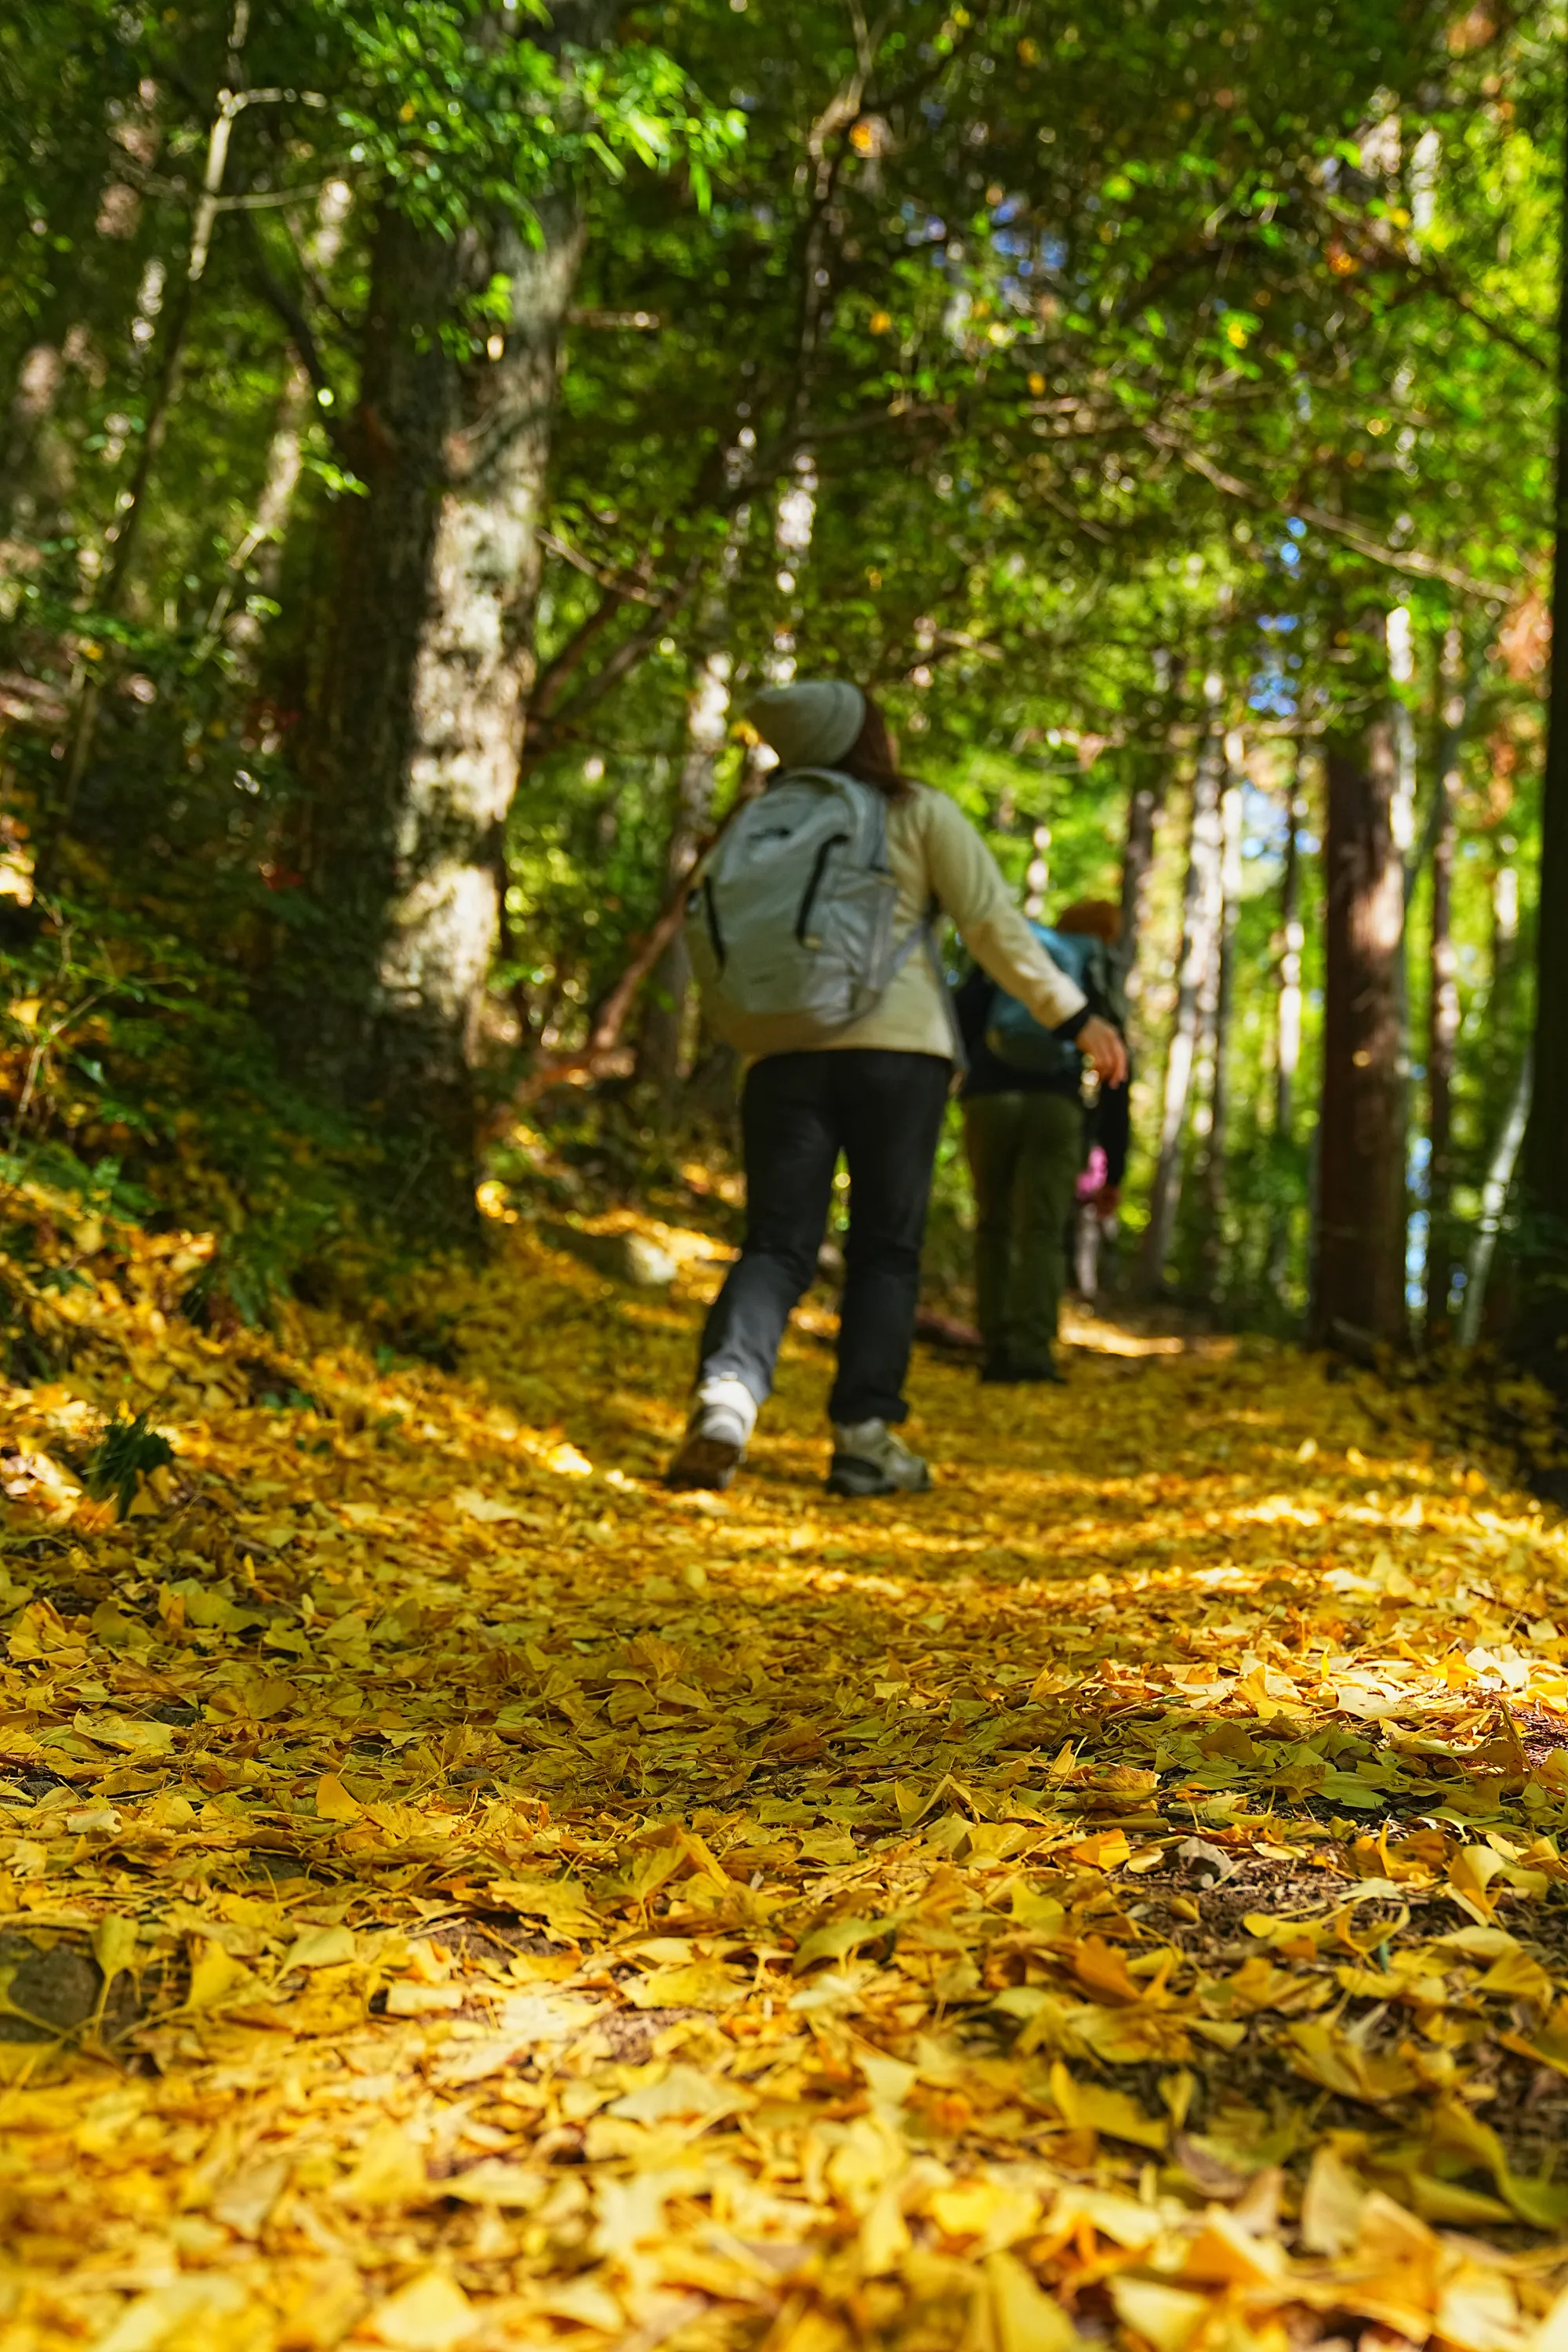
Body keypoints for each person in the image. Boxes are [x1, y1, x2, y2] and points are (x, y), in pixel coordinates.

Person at [666, 682, 1127, 1497]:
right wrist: (1075, 1015)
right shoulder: (911, 809)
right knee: (885, 1246)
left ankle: (725, 1399)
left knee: (775, 1243)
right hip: (896, 1054)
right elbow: (991, 927)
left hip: (778, 1055)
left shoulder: (758, 821)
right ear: (866, 736)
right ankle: (862, 1438)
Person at [956, 897, 1128, 1384]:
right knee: (1042, 1232)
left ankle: (994, 1347)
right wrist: (1114, 1168)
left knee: (993, 1225)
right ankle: (1031, 1354)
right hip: (1056, 1105)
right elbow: (1116, 1065)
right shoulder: (1095, 967)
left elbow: (964, 1014)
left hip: (988, 1098)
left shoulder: (1023, 952)